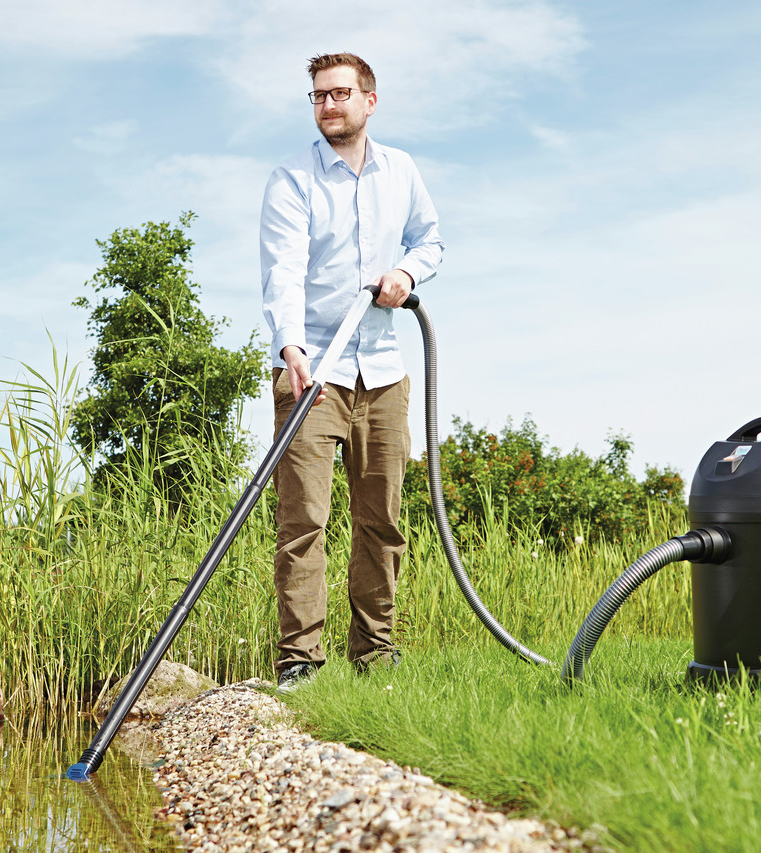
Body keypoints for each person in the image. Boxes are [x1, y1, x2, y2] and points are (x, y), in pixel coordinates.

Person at [260, 52, 444, 691]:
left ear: (369, 100)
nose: (328, 106)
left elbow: (430, 240)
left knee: (382, 518)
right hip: (312, 369)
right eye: (317, 97)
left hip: (385, 372)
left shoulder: (402, 171)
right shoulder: (292, 180)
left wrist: (407, 274)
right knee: (304, 521)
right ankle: (300, 665)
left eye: (339, 94)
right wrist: (290, 350)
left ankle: (374, 657)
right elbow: (281, 272)